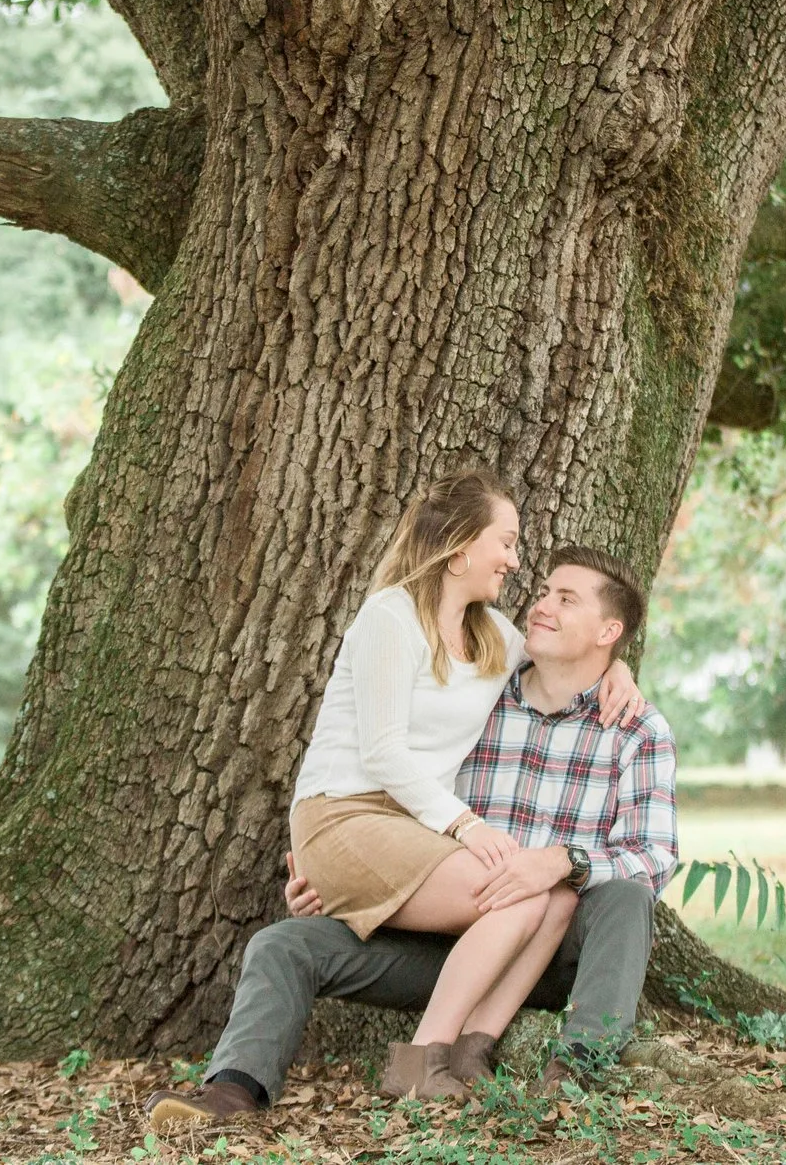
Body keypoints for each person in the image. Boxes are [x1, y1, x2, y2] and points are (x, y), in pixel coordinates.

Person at [147, 545, 676, 1133]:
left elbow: (654, 858)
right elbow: (405, 794)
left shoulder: (636, 728)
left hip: (555, 950)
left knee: (627, 896)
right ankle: (233, 1091)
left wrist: (561, 862)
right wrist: (351, 884)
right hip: (449, 934)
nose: (542, 605)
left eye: (566, 599)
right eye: (545, 591)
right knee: (285, 943)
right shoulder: (479, 694)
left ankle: (578, 1074)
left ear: (609, 631)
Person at [274, 469, 643, 1098]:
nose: (514, 561)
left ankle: (471, 1053)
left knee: (551, 894)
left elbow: (572, 656)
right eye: (506, 542)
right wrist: (467, 826)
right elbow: (382, 752)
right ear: (460, 546)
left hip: (409, 827)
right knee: (516, 891)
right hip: (345, 816)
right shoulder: (390, 617)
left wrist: (620, 669)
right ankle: (420, 1063)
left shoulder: (493, 636)